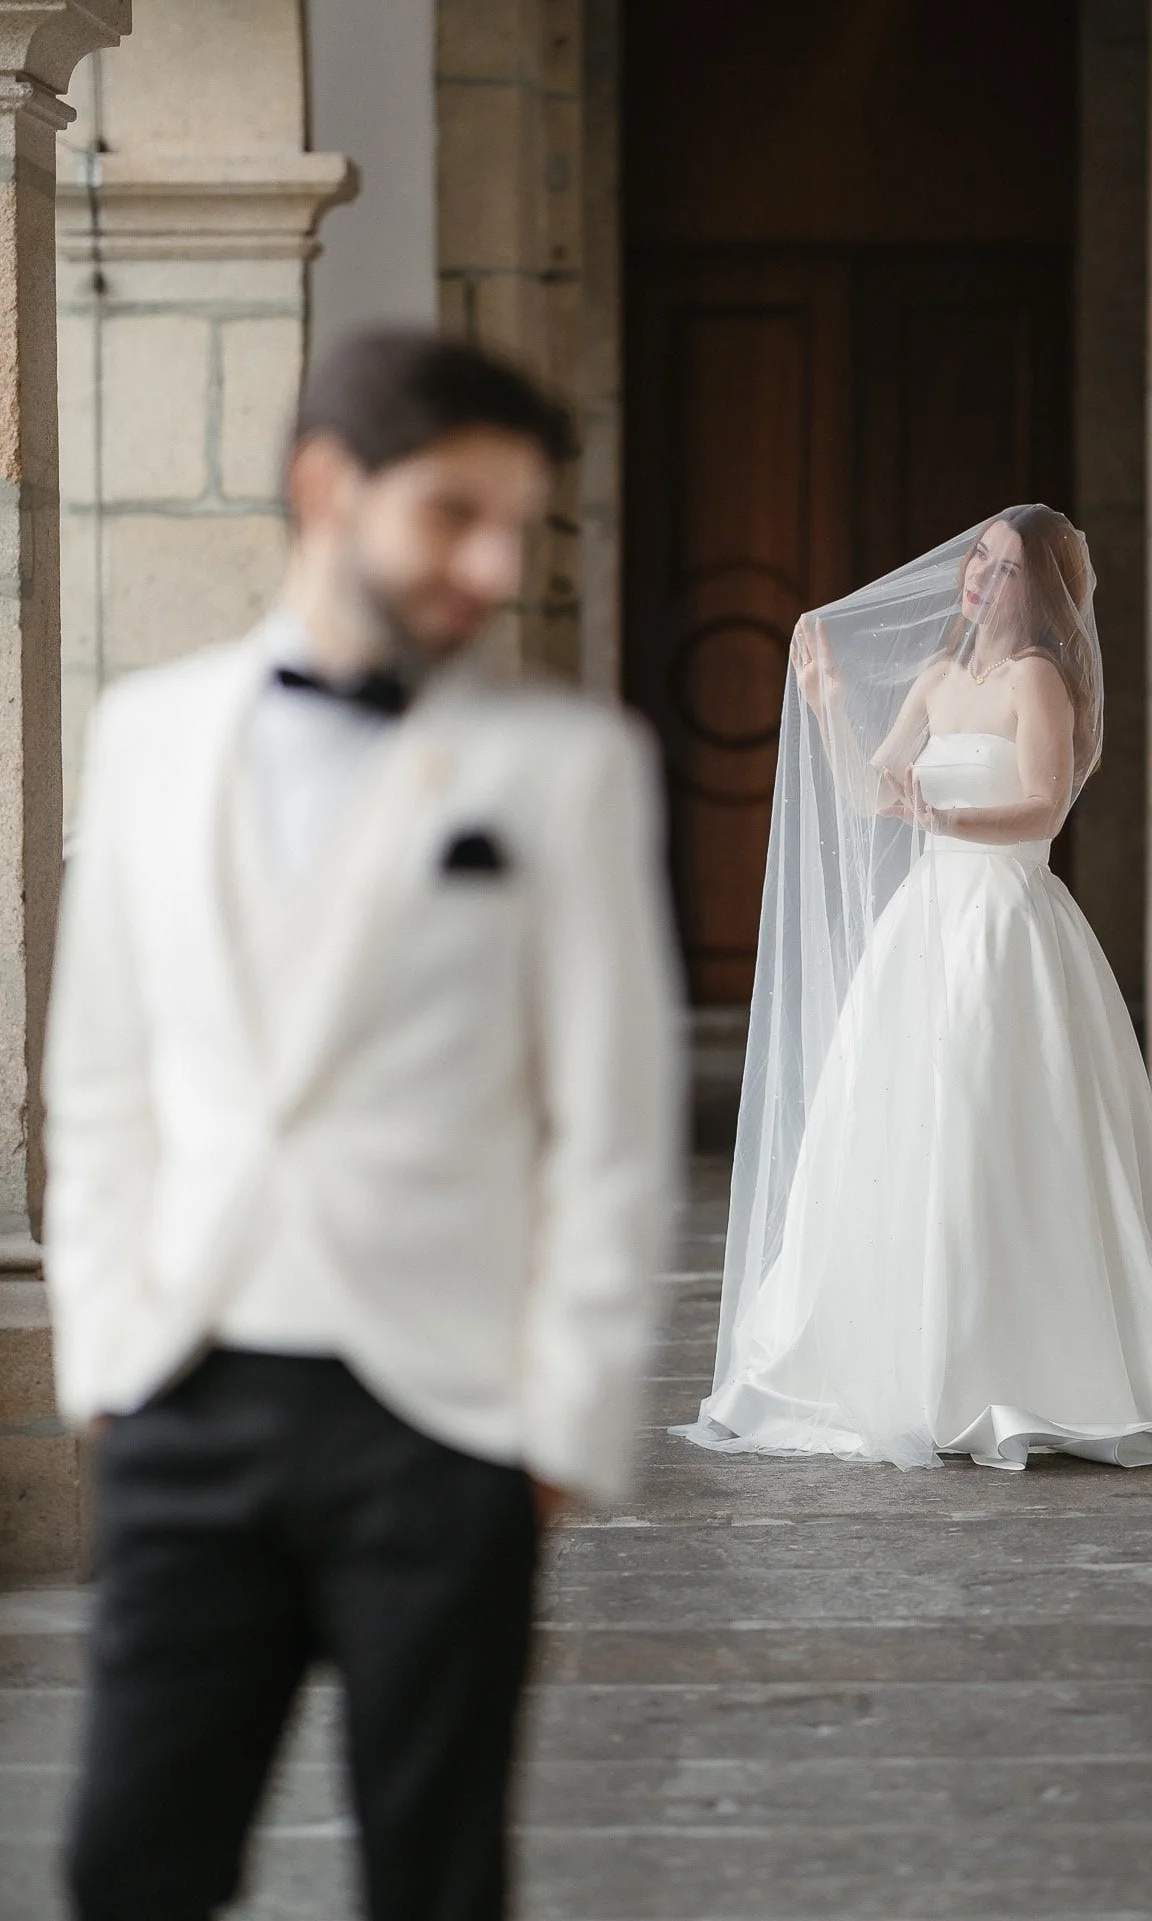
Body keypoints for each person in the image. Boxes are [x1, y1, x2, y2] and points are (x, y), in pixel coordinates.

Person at [44, 329, 680, 1920]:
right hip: (184, 1396)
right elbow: (104, 1078)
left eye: (514, 525)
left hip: (444, 1421)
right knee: (131, 1863)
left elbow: (612, 1126)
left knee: (438, 1877)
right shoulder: (149, 733)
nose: (491, 562)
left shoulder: (569, 767)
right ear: (327, 485)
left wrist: (552, 1433)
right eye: (454, 514)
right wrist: (106, 1356)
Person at [676, 504, 1152, 1472]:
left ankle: (1015, 1348)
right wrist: (828, 699)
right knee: (905, 1126)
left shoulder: (1037, 680)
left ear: (1042, 591)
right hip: (924, 926)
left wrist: (948, 819)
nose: (980, 578)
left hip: (1004, 922)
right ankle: (910, 1345)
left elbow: (1045, 805)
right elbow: (867, 791)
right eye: (978, 559)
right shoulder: (940, 677)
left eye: (1005, 569)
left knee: (995, 1119)